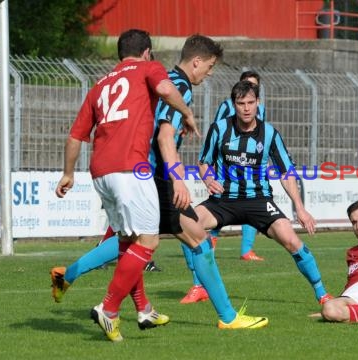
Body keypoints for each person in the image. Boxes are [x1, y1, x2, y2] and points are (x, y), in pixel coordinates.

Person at [54, 32, 267, 342]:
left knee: (130, 242)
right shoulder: (177, 85)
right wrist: (177, 178)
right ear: (196, 62)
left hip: (123, 171)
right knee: (195, 241)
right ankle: (227, 317)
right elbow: (164, 137)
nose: (208, 75)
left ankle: (123, 300)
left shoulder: (148, 78)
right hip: (152, 176)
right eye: (208, 68)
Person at [195, 80, 332, 305]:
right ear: (234, 104)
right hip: (223, 199)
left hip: (259, 200)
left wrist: (300, 208)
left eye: (251, 102)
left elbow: (286, 173)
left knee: (292, 241)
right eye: (241, 103)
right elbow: (203, 162)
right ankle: (198, 287)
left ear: (258, 103)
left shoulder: (269, 134)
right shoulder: (219, 129)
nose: (247, 108)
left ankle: (322, 294)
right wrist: (208, 178)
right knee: (189, 225)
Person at [180, 70, 265, 304]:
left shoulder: (261, 112)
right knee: (197, 226)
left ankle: (244, 251)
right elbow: (216, 136)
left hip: (250, 179)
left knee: (251, 215)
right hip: (224, 177)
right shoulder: (227, 110)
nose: (247, 103)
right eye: (246, 86)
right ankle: (199, 280)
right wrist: (211, 175)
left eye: (254, 89)